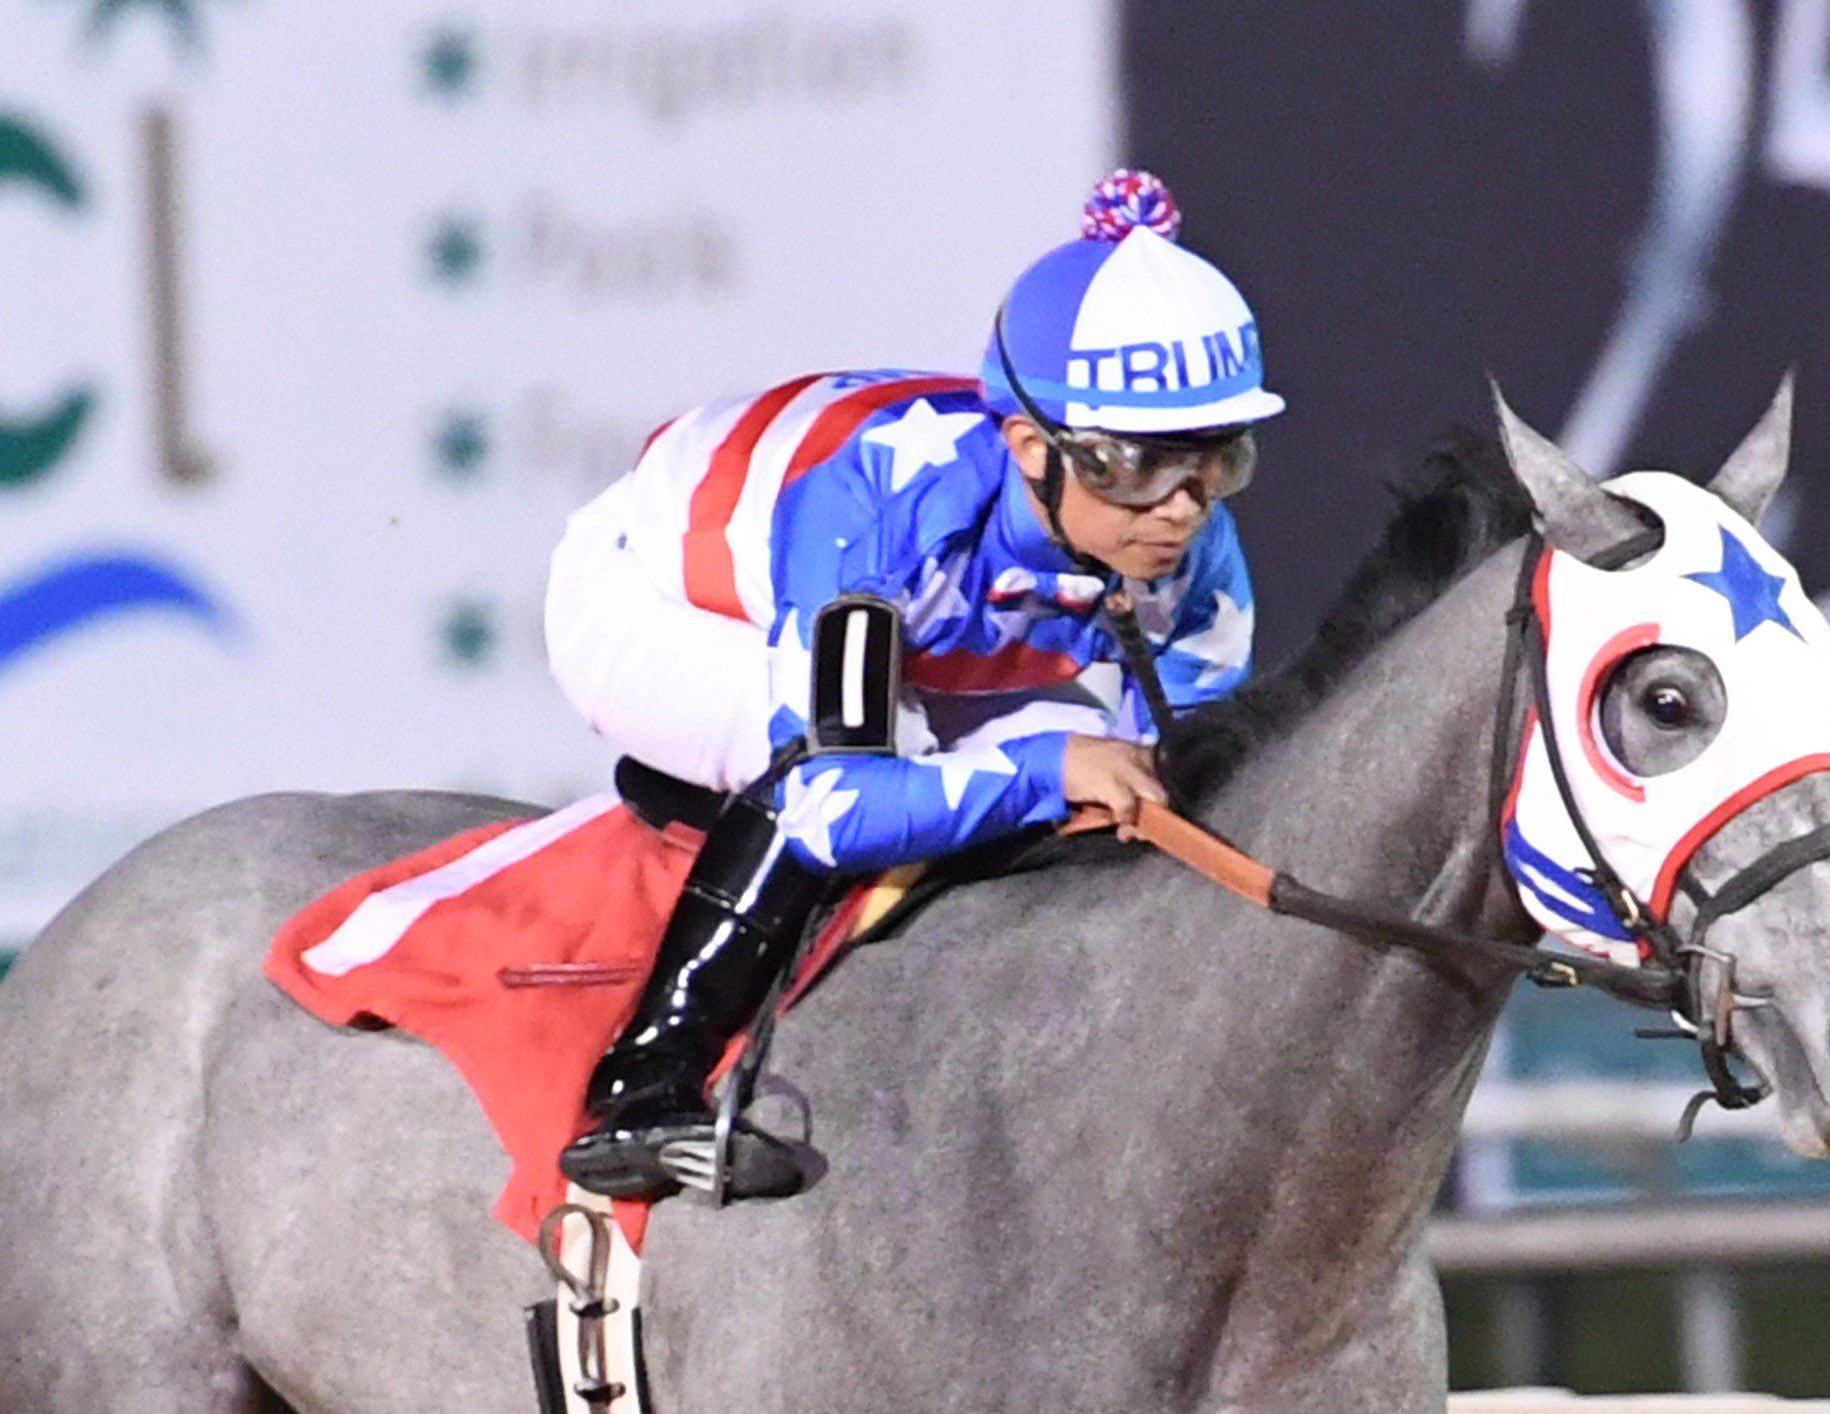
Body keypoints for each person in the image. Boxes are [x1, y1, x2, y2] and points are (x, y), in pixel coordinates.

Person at [543, 169, 1284, 1201]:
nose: (1181, 511)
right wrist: (1053, 762)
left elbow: (1193, 784)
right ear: (1032, 448)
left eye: (1216, 461)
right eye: (1134, 466)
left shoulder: (1186, 546)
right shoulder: (886, 506)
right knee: (847, 767)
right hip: (664, 602)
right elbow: (835, 806)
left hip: (934, 629)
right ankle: (642, 1089)